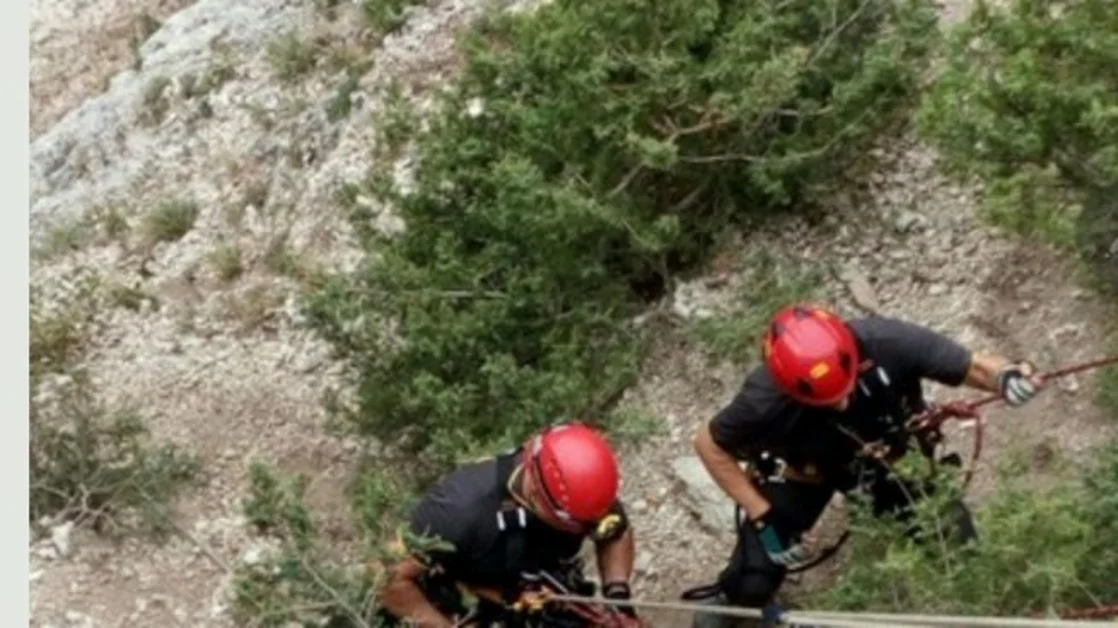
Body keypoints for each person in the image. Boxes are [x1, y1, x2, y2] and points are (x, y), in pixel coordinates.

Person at [687, 304, 1045, 626]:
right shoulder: (762, 399)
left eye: (846, 389)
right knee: (754, 576)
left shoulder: (888, 341)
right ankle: (735, 601)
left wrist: (1007, 376)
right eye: (828, 400)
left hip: (890, 460)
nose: (842, 404)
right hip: (806, 471)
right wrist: (762, 514)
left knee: (957, 545)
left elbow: (976, 366)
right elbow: (708, 444)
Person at [375, 421, 648, 628]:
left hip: (536, 589)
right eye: (578, 526)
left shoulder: (583, 490)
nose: (585, 531)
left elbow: (615, 532)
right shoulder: (457, 512)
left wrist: (618, 594)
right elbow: (386, 578)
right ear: (539, 500)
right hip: (467, 601)